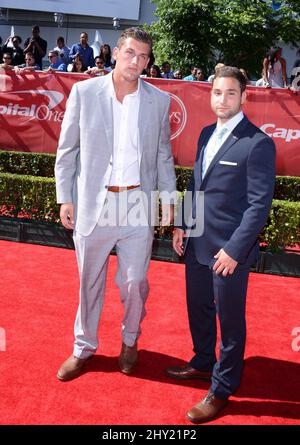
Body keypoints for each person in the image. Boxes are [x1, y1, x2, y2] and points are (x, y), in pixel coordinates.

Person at [55, 27, 176, 382]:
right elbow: (67, 152)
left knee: (135, 282)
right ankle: (83, 347)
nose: (136, 61)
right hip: (95, 202)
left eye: (143, 57)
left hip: (137, 202)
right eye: (130, 53)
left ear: (148, 61)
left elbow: (163, 156)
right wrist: (65, 197)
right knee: (88, 282)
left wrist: (168, 199)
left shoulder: (158, 100)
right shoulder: (85, 92)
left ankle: (129, 341)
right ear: (116, 53)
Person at [167, 66, 276, 423]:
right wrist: (182, 224)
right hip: (196, 241)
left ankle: (222, 387)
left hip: (229, 252)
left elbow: (259, 206)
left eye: (231, 93)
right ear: (210, 95)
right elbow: (196, 185)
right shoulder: (203, 134)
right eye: (217, 93)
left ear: (244, 97)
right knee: (197, 307)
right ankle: (202, 361)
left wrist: (234, 250)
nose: (223, 99)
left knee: (229, 321)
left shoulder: (258, 143)